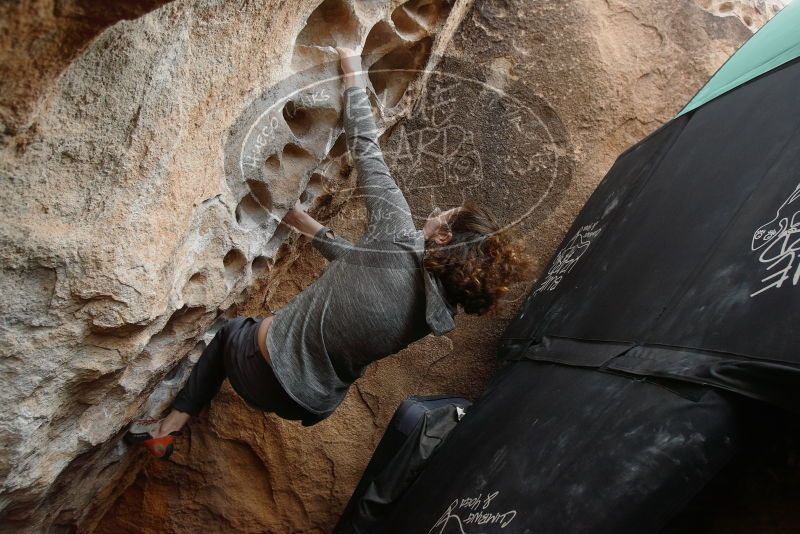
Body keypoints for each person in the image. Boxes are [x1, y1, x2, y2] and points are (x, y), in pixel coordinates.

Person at [124, 48, 533, 459]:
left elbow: (366, 148)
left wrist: (353, 78)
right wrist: (309, 226)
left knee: (232, 332)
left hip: (253, 364)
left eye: (444, 214)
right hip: (304, 404)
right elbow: (364, 275)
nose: (433, 213)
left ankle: (171, 425)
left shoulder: (396, 235)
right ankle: (168, 433)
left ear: (444, 236)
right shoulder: (434, 316)